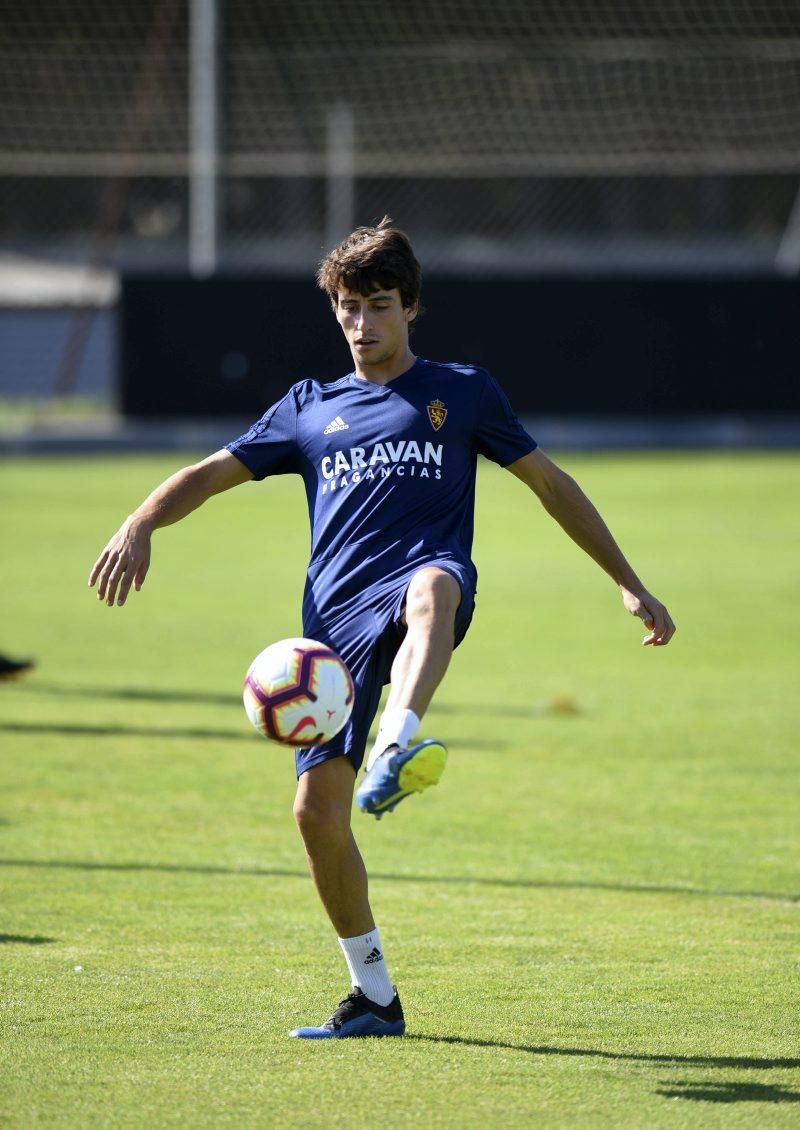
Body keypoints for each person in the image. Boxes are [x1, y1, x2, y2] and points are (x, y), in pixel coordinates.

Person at [89, 218, 675, 1040]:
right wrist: (142, 521)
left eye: (380, 306)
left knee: (435, 584)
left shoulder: (463, 391)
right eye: (348, 307)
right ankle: (373, 997)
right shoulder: (307, 408)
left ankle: (399, 740)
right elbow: (210, 474)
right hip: (331, 639)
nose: (363, 325)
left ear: (412, 308)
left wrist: (627, 582)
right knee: (315, 817)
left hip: (421, 585)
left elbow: (551, 485)